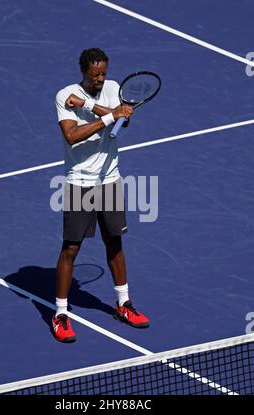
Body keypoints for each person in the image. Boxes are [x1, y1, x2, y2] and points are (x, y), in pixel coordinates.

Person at [53, 48, 150, 342]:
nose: (101, 79)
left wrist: (93, 108)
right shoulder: (64, 96)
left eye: (104, 74)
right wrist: (108, 115)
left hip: (109, 180)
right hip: (80, 182)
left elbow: (123, 123)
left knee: (114, 243)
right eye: (95, 75)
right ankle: (59, 315)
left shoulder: (112, 89)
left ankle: (124, 304)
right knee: (71, 249)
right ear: (83, 71)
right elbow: (71, 136)